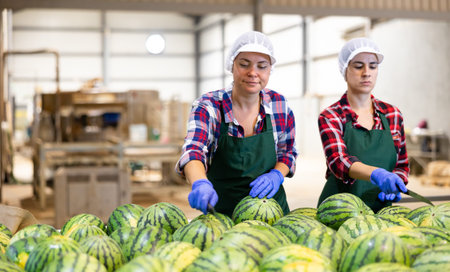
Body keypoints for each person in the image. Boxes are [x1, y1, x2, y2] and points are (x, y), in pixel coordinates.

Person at [175, 31, 298, 217]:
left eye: (262, 66)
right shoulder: (208, 105)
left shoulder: (279, 105)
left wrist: (277, 175)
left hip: (272, 213)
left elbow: (288, 152)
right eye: (244, 64)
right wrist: (200, 182)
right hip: (222, 215)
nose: (253, 73)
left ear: (270, 70)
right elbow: (194, 150)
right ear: (231, 66)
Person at [317, 37, 409, 212]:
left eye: (373, 66)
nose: (366, 72)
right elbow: (339, 161)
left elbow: (401, 164)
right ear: (345, 70)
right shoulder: (332, 116)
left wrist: (396, 182)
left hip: (381, 209)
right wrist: (377, 174)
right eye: (358, 66)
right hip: (339, 211)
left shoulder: (393, 114)